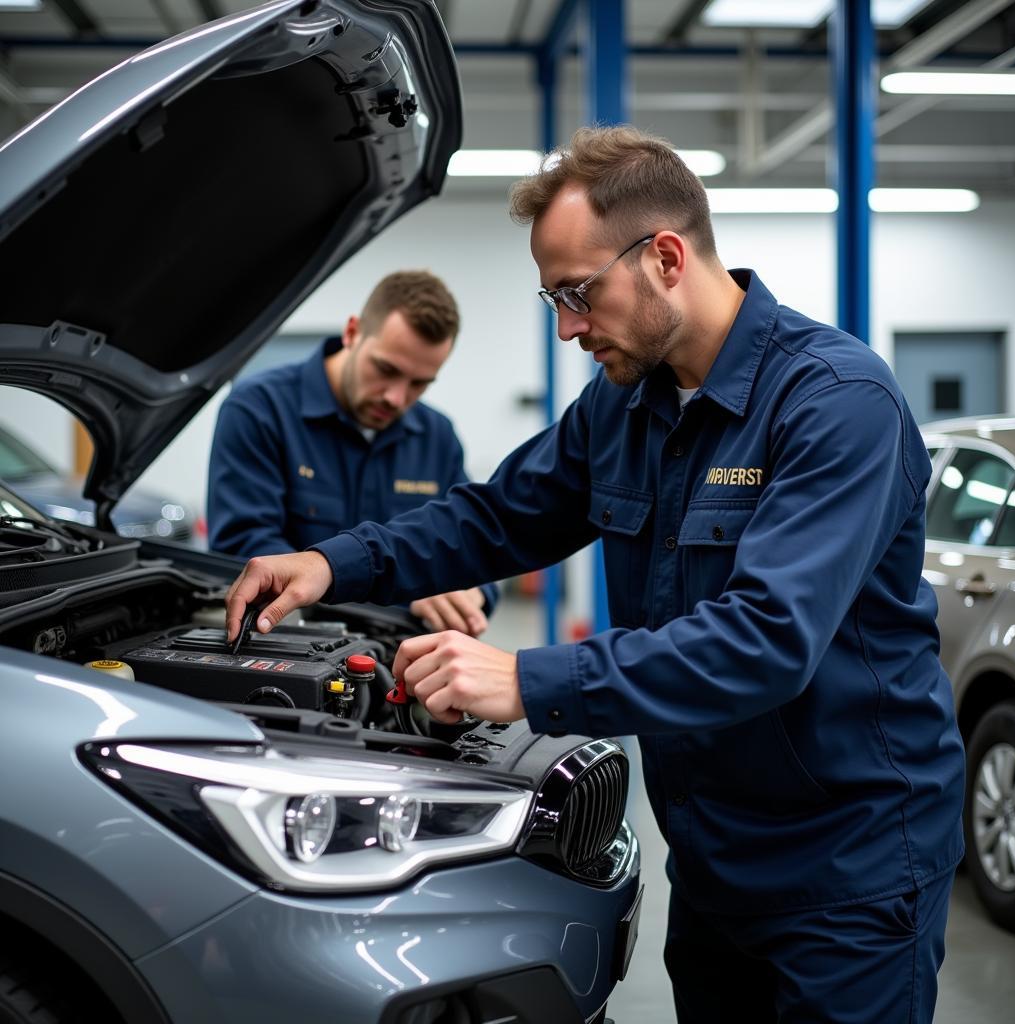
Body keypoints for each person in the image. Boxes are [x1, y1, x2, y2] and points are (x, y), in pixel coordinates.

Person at [224, 126, 965, 1022]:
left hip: (849, 869)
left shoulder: (837, 405)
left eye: (579, 293)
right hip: (711, 851)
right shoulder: (623, 404)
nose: (571, 328)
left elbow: (767, 640)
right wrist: (329, 562)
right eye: (554, 301)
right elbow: (498, 517)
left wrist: (526, 679)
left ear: (663, 257)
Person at [208, 269, 496, 635]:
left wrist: (472, 594)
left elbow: (468, 539)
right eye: (386, 369)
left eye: (419, 383)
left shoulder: (436, 435)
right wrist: (406, 593)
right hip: (294, 642)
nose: (396, 397)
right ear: (352, 333)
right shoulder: (259, 409)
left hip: (402, 657)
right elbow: (247, 548)